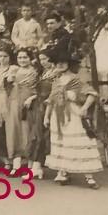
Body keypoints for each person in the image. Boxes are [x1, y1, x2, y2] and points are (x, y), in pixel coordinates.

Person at [44, 57, 103, 189]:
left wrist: (84, 108)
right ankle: (63, 172)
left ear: (69, 64)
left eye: (63, 62)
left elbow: (92, 94)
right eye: (57, 62)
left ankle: (89, 177)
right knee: (62, 142)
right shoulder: (56, 81)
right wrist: (46, 117)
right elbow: (51, 100)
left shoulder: (77, 79)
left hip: (73, 115)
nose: (59, 64)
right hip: (57, 116)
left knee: (80, 141)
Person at [23, 49, 62, 179]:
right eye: (41, 59)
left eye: (46, 58)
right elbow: (38, 90)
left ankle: (61, 170)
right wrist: (32, 98)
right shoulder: (43, 73)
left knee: (52, 136)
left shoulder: (58, 73)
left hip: (54, 105)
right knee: (37, 135)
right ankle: (36, 168)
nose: (44, 62)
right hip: (40, 106)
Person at [7, 48, 38, 175]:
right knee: (15, 132)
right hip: (15, 103)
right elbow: (8, 84)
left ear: (30, 58)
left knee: (28, 132)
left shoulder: (35, 72)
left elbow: (39, 90)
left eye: (25, 57)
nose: (22, 60)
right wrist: (10, 77)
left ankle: (30, 166)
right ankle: (16, 165)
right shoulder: (14, 70)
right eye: (20, 57)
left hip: (29, 103)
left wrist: (32, 98)